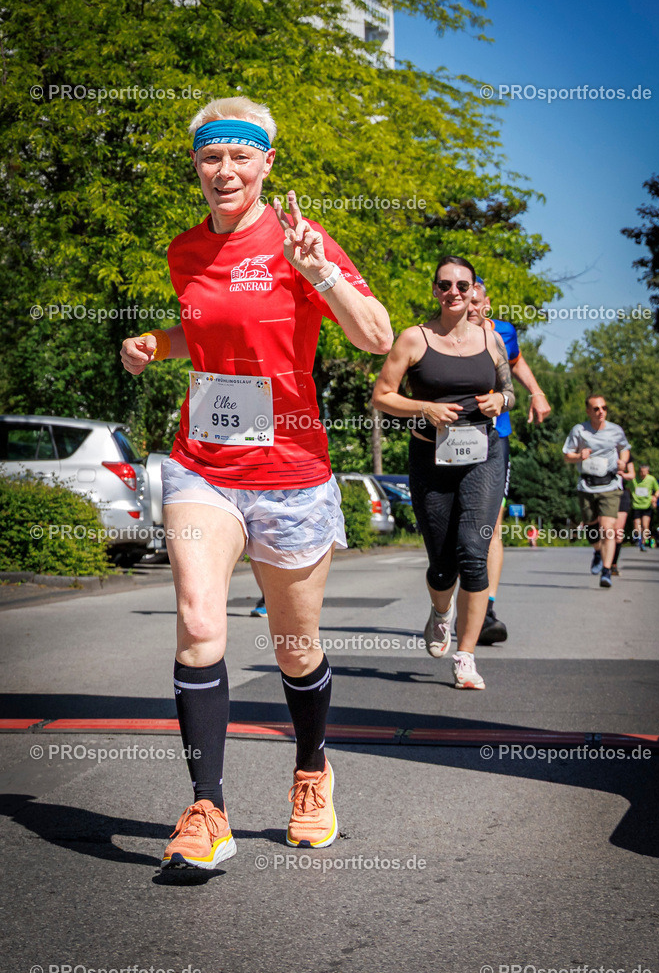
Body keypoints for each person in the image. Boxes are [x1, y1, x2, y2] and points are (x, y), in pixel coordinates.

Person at [120, 96, 392, 868]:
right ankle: (206, 809)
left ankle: (311, 770)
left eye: (241, 156)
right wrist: (154, 342)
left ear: (266, 163)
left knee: (294, 645)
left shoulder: (301, 240)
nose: (225, 170)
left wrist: (321, 275)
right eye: (211, 157)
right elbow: (206, 328)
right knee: (200, 623)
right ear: (196, 167)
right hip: (202, 464)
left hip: (291, 471)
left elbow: (374, 337)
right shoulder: (184, 251)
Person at [372, 255, 515, 690]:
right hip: (430, 458)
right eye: (445, 285)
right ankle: (440, 611)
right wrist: (424, 408)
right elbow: (382, 396)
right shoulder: (414, 339)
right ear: (435, 290)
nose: (454, 292)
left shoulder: (492, 340)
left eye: (462, 285)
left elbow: (509, 389)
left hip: (484, 455)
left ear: (474, 292)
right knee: (441, 564)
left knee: (474, 550)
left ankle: (466, 657)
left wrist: (502, 403)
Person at [467, 280, 551, 643]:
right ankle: (448, 596)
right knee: (455, 527)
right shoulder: (437, 335)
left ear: (487, 303)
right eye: (463, 298)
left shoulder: (503, 331)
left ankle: (486, 609)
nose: (470, 306)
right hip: (452, 438)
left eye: (476, 300)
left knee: (491, 524)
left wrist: (537, 392)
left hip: (495, 437)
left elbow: (516, 361)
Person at [562, 394, 630, 587]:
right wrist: (578, 456)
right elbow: (567, 456)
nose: (601, 411)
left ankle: (607, 571)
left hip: (610, 485)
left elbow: (625, 447)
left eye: (604, 408)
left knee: (607, 529)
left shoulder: (616, 430)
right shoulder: (579, 430)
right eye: (596, 408)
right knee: (592, 527)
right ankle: (598, 553)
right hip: (587, 485)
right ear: (588, 411)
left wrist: (623, 461)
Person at [607, 451, 635, 575]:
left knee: (618, 532)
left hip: (621, 493)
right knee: (607, 531)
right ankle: (605, 561)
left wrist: (622, 474)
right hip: (605, 493)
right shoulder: (603, 450)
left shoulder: (626, 455)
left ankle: (613, 564)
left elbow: (632, 475)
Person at [630, 463, 659, 550]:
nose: (643, 473)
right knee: (636, 526)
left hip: (647, 506)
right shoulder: (634, 479)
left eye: (644, 471)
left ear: (647, 471)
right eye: (641, 471)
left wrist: (655, 497)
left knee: (645, 525)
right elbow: (628, 488)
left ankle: (643, 543)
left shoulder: (651, 479)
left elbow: (658, 490)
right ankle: (638, 537)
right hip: (636, 505)